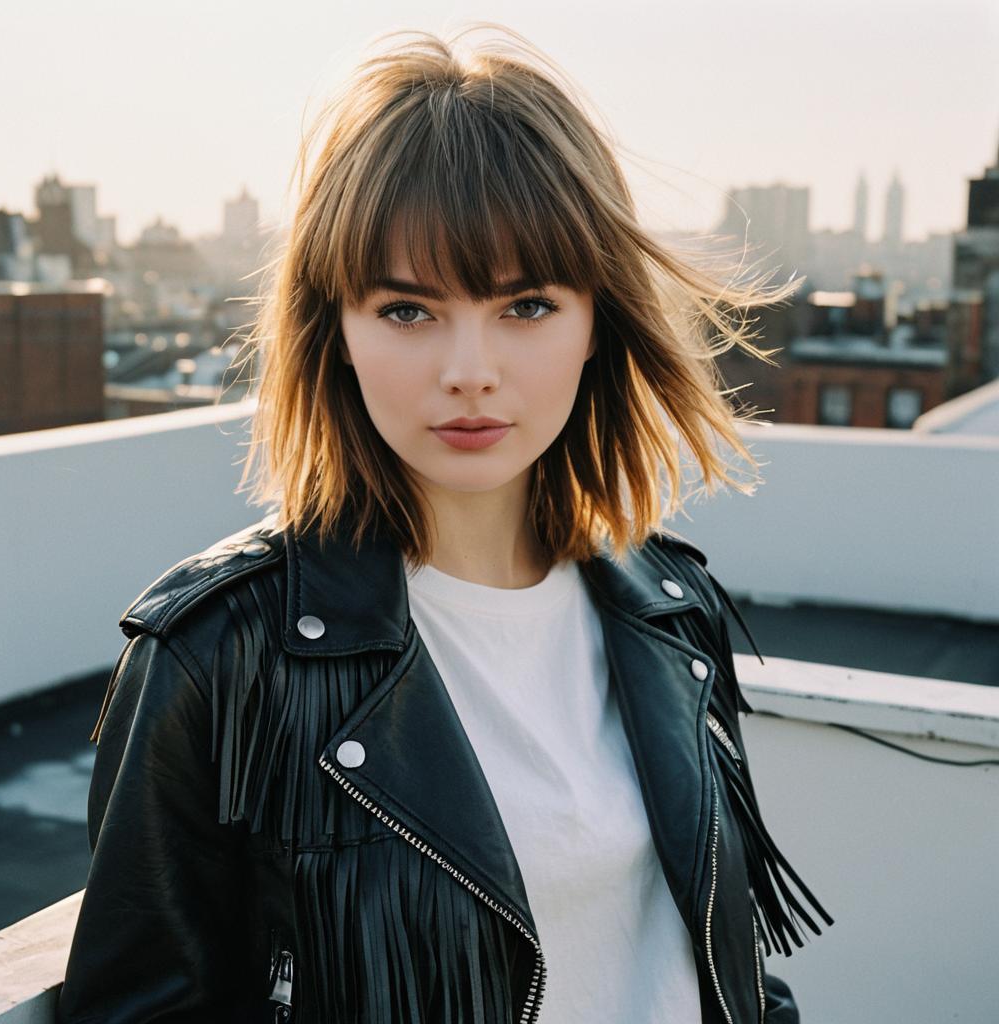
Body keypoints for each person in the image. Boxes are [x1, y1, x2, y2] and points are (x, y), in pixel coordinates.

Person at [57, 23, 831, 1024]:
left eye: (525, 305)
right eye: (409, 311)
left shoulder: (669, 610)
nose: (469, 368)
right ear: (333, 329)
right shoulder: (220, 657)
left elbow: (721, 964)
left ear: (598, 319)